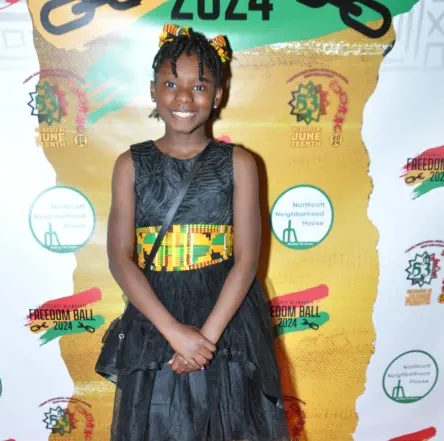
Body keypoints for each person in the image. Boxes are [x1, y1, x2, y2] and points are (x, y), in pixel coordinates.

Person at [96, 23, 290, 441]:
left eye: (199, 86)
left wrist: (205, 341)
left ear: (218, 95)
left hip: (226, 322)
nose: (184, 98)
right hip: (155, 319)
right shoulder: (130, 164)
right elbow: (119, 259)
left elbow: (246, 261)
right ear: (153, 90)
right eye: (171, 84)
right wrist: (174, 333)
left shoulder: (239, 163)